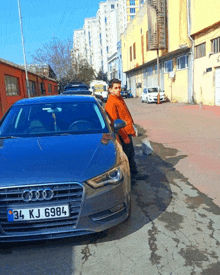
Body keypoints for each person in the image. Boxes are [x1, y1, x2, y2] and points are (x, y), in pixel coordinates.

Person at [105, 78, 138, 177]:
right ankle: (131, 178)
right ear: (110, 89)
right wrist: (124, 137)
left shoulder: (119, 98)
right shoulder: (111, 102)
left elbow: (126, 114)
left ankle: (134, 173)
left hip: (128, 131)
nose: (118, 90)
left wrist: (133, 127)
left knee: (131, 154)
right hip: (123, 134)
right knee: (127, 157)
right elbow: (115, 123)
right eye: (116, 88)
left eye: (119, 87)